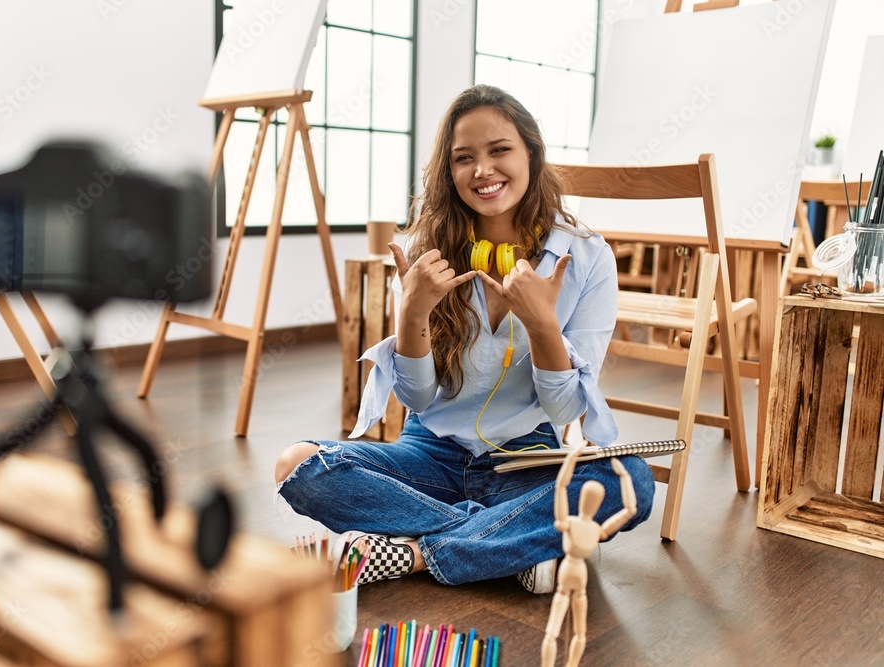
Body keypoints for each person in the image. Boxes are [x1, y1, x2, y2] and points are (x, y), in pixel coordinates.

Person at [274, 84, 655, 594]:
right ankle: (509, 542)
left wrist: (543, 324)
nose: (482, 170)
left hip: (526, 459)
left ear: (531, 155)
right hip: (429, 454)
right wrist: (411, 313)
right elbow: (417, 398)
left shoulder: (585, 257)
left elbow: (565, 414)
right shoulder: (423, 253)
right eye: (463, 158)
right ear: (448, 172)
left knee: (631, 481)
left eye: (499, 150)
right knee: (297, 465)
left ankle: (413, 552)